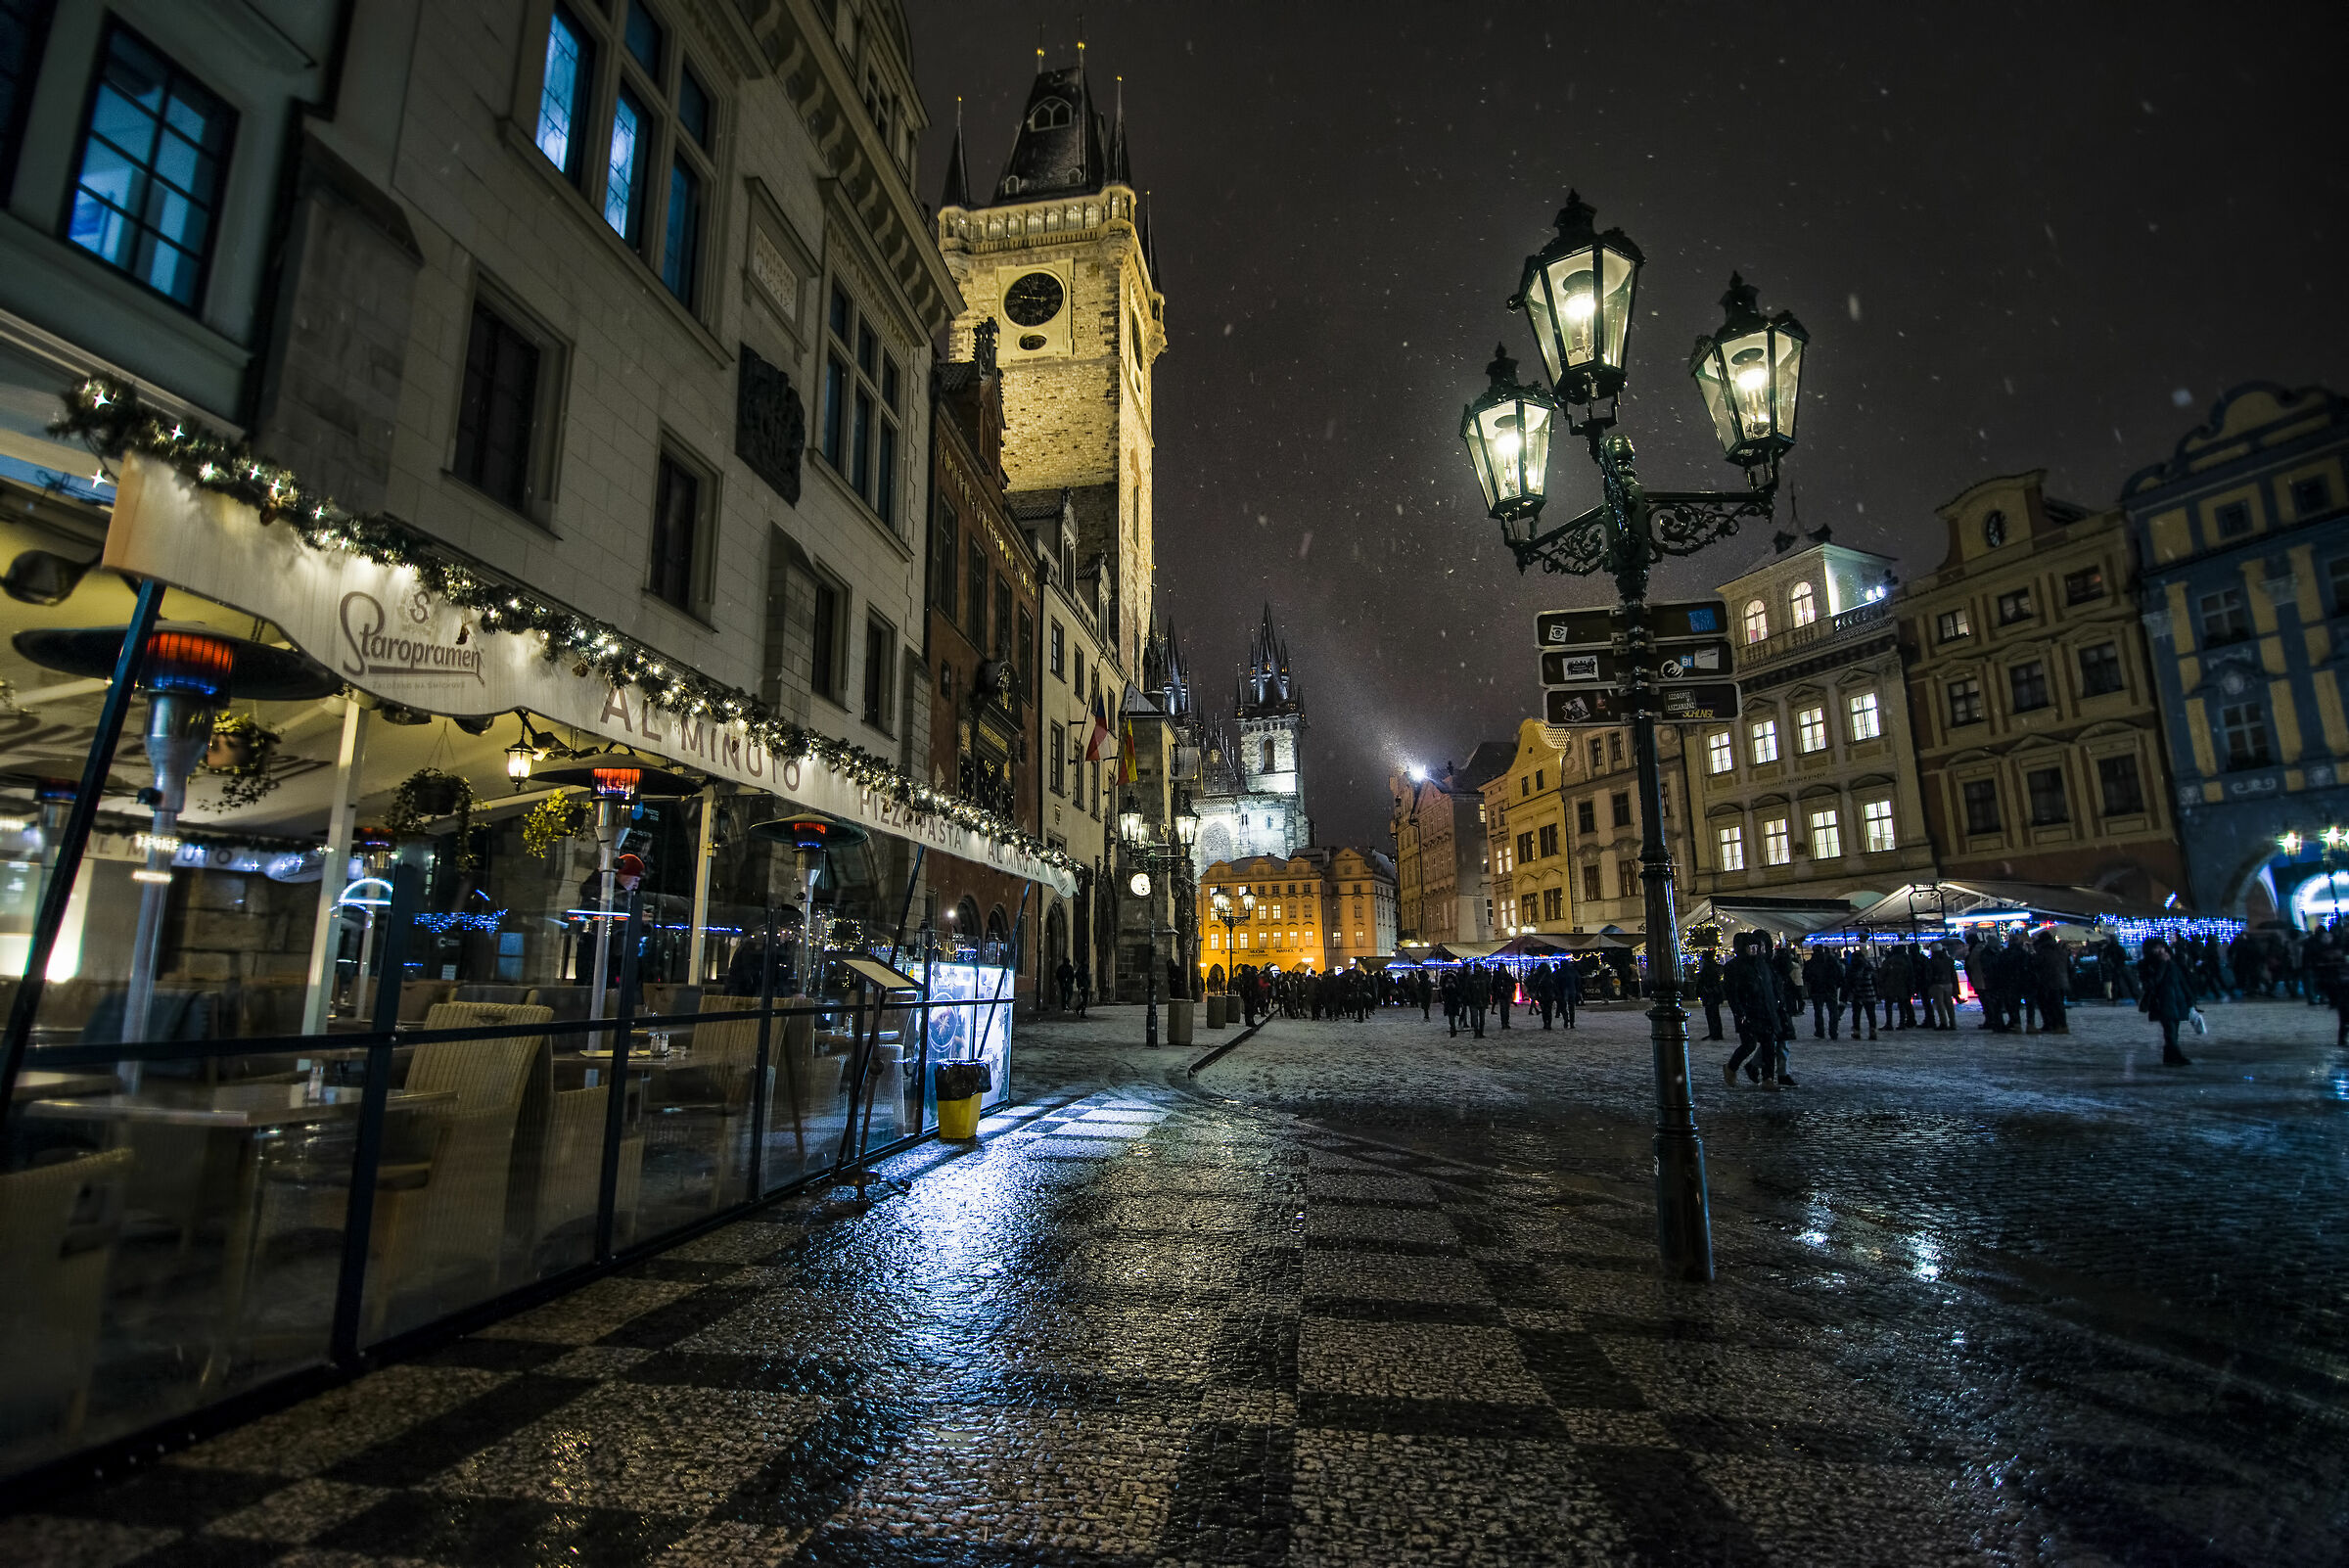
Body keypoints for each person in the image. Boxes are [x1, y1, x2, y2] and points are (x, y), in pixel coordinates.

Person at [1723, 934, 1791, 1088]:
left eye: (1756, 947)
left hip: (1765, 1010)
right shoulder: (1733, 967)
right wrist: (1739, 1012)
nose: (1753, 950)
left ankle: (1768, 1079)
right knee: (1749, 1045)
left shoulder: (1763, 965)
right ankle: (1731, 1067)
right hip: (1748, 1011)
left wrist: (1777, 1005)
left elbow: (1772, 986)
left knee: (1768, 1044)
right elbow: (1732, 993)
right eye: (1750, 947)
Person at [2136, 939, 2195, 1065]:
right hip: (2162, 1001)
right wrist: (2163, 964)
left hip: (2177, 1000)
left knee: (2174, 1030)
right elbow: (2154, 982)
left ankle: (2169, 1056)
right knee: (2170, 1031)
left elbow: (2181, 981)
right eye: (2156, 948)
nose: (2160, 951)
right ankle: (2175, 1056)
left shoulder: (2172, 962)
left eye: (2161, 947)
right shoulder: (2146, 964)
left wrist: (2190, 999)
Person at [2029, 930, 2070, 1035]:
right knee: (2058, 1004)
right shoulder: (2059, 950)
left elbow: (2037, 964)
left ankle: (2054, 1025)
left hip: (2048, 981)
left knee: (2049, 1004)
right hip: (2060, 980)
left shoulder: (2044, 950)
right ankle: (2062, 1025)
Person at [1804, 945, 1846, 1039]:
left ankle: (1820, 1031)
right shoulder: (1831, 961)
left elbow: (1806, 976)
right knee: (1833, 1011)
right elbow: (1840, 974)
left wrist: (1812, 982)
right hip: (1830, 988)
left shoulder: (1811, 962)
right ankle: (1833, 1031)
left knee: (1818, 1011)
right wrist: (1837, 984)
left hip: (1817, 990)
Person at [1846, 945, 1880, 1040]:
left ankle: (1856, 1031)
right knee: (1871, 1014)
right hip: (1870, 994)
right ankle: (1872, 1031)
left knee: (1856, 1014)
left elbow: (1849, 983)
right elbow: (1875, 981)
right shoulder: (1868, 968)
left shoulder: (1852, 969)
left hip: (1857, 995)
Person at [1696, 952, 1726, 1040]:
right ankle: (1716, 1033)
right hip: (1713, 994)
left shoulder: (1707, 968)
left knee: (1712, 1014)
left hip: (1710, 994)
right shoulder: (1713, 966)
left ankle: (1715, 1033)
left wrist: (1704, 989)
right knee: (1714, 1014)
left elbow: (1706, 981)